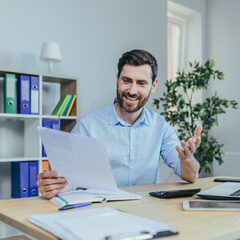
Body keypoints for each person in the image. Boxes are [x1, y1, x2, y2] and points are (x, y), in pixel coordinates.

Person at [37, 49, 202, 199]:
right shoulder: (89, 125)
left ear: (153, 86)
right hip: (101, 212)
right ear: (117, 79)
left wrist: (187, 159)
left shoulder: (161, 126)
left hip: (146, 211)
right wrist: (53, 186)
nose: (132, 90)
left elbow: (191, 176)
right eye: (127, 80)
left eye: (141, 83)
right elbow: (69, 179)